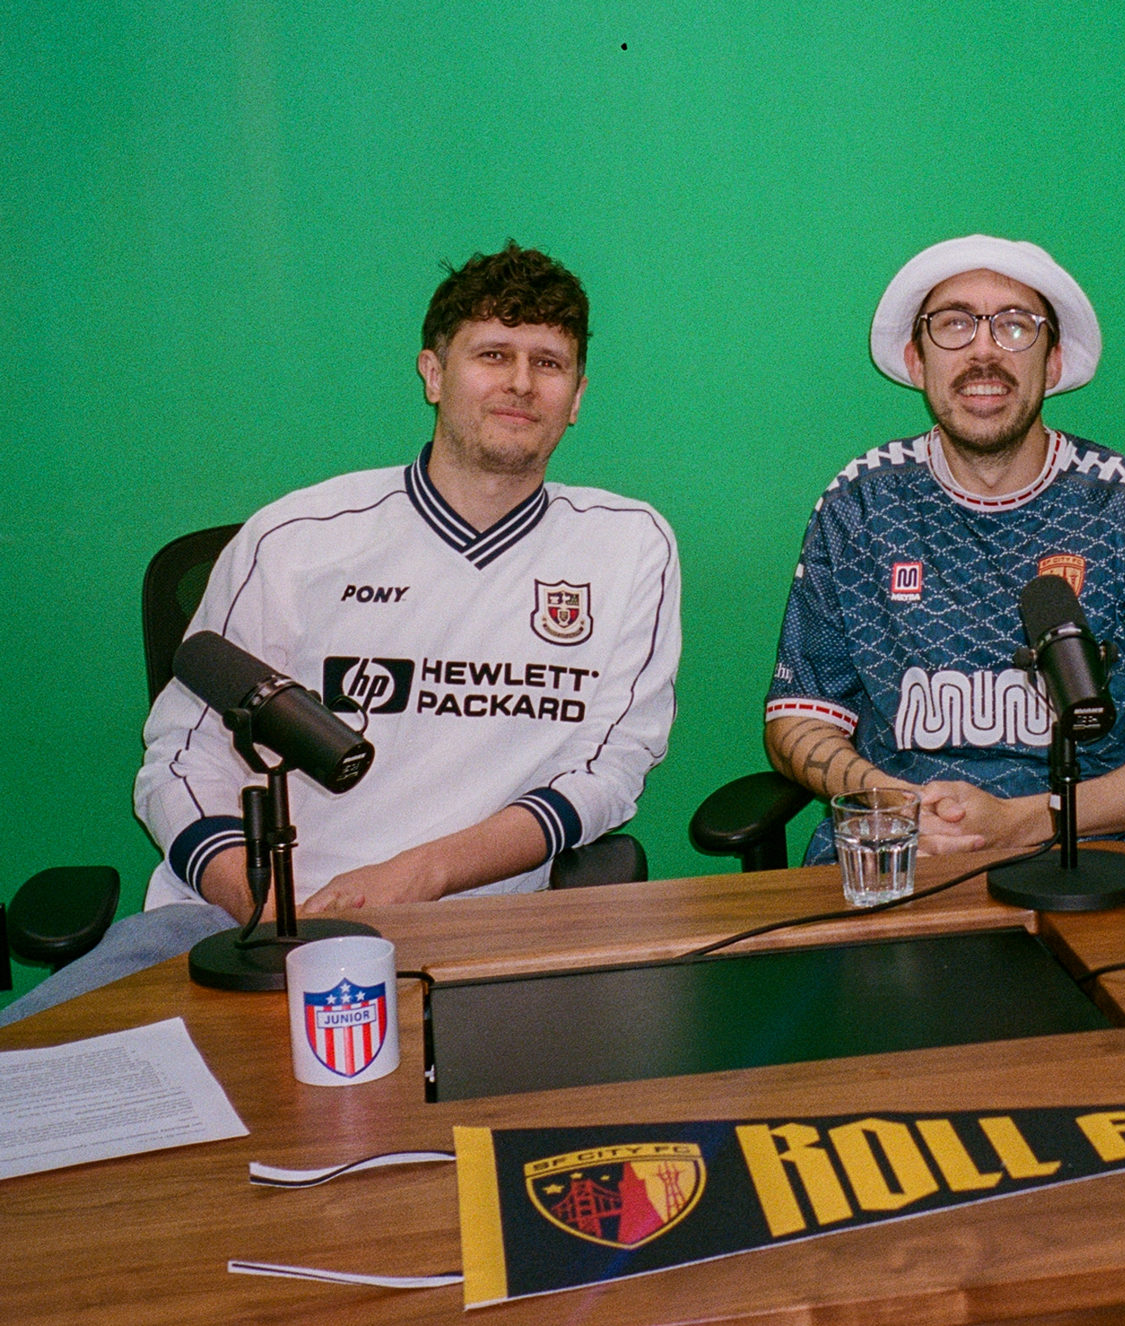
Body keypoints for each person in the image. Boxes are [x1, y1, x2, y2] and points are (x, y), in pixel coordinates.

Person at [1, 242, 680, 1026]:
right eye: (493, 354)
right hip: (231, 930)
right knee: (34, 1087)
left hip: (468, 932)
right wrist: (269, 913)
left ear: (578, 395)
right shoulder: (296, 537)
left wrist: (419, 876)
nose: (521, 383)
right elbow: (180, 761)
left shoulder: (628, 546)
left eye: (549, 363)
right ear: (432, 372)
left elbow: (607, 771)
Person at [763, 234, 1125, 861]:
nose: (984, 351)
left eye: (1016, 327)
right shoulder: (859, 504)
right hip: (894, 856)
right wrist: (897, 804)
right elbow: (796, 718)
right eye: (955, 325)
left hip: (1078, 858)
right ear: (917, 360)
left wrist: (1030, 821)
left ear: (1052, 361)